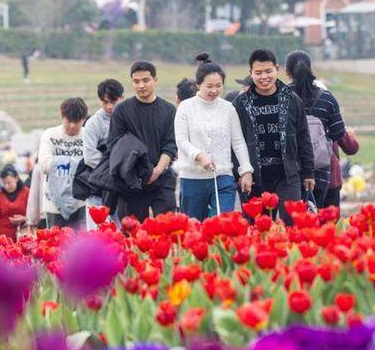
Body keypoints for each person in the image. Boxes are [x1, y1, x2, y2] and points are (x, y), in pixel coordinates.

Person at [233, 49, 314, 225]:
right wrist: (239, 172)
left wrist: (308, 172)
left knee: (291, 223)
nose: (264, 77)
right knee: (256, 228)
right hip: (254, 177)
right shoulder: (241, 103)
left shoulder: (291, 99)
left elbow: (303, 137)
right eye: (258, 73)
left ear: (276, 69)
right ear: (250, 73)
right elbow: (234, 141)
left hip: (287, 174)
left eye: (268, 71)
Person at [175, 53, 253, 220]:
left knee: (222, 225)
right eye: (209, 86)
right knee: (194, 227)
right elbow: (181, 141)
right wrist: (198, 155)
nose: (214, 90)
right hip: (192, 177)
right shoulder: (185, 108)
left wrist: (246, 170)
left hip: (223, 176)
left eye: (218, 86)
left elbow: (238, 142)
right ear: (198, 85)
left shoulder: (228, 109)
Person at [107, 61, 178, 222]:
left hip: (162, 177)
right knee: (132, 232)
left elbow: (171, 144)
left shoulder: (168, 110)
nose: (141, 85)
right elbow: (115, 145)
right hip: (132, 181)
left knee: (168, 227)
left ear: (155, 80)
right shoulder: (121, 111)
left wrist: (157, 170)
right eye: (136, 81)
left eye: (146, 80)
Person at [284, 50, 346, 206]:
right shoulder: (327, 98)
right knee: (318, 218)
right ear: (310, 69)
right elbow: (338, 132)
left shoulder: (281, 97)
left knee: (293, 219)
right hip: (320, 170)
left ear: (287, 72)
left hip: (290, 171)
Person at [38, 97, 88, 229]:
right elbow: (44, 164)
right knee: (55, 245)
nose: (72, 126)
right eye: (68, 121)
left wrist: (59, 163)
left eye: (76, 122)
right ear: (62, 116)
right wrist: (77, 165)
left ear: (83, 119)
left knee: (81, 244)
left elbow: (94, 164)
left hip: (81, 202)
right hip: (54, 203)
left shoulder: (88, 136)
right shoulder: (50, 135)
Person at [82, 79, 124, 229]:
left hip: (122, 190)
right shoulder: (94, 123)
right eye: (105, 102)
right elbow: (90, 156)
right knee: (97, 234)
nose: (109, 106)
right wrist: (116, 167)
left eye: (113, 101)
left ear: (121, 98)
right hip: (98, 189)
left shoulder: (127, 119)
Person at [0, 165, 29, 241]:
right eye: (4, 183)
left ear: (16, 178)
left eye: (9, 182)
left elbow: (35, 216)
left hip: (24, 236)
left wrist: (24, 219)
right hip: (3, 238)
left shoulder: (27, 193)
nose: (6, 186)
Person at [325, 128, 359, 209]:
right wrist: (349, 134)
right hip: (331, 177)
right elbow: (351, 148)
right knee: (330, 218)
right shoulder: (332, 116)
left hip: (302, 177)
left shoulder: (295, 115)